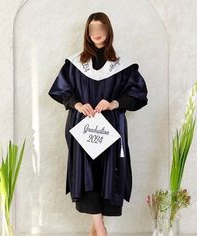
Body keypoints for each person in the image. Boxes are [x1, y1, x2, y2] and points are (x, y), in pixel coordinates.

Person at [48, 12, 148, 236]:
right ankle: (101, 229)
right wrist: (77, 105)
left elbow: (138, 96)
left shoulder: (122, 65)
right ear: (87, 32)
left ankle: (95, 230)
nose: (97, 34)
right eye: (92, 29)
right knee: (87, 173)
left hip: (111, 128)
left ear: (108, 31)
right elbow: (61, 91)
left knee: (107, 174)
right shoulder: (75, 64)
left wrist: (113, 103)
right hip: (82, 126)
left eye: (101, 28)